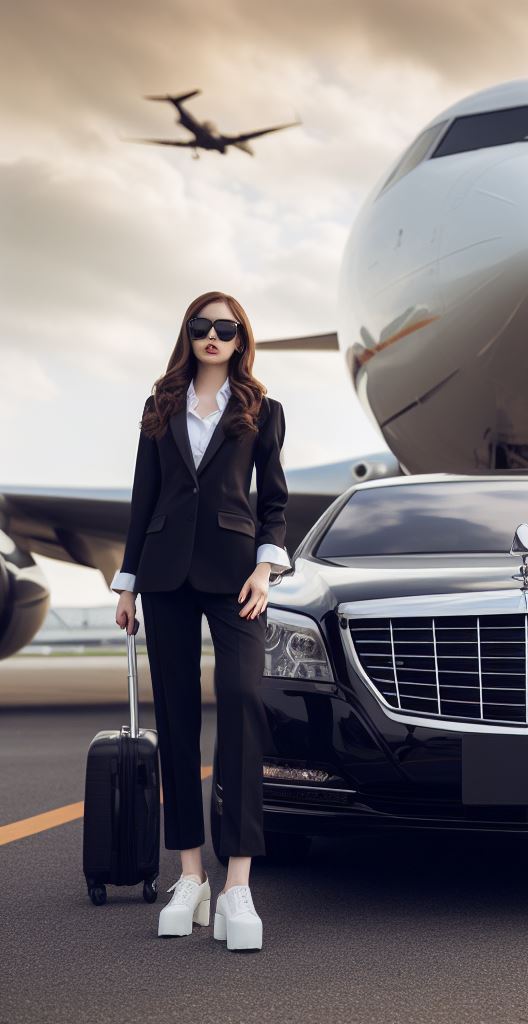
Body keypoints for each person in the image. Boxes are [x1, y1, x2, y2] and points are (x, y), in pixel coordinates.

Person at [112, 290, 289, 952]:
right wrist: (128, 582)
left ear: (242, 340)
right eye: (201, 326)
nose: (213, 336)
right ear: (187, 334)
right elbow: (142, 499)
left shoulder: (262, 412)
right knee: (177, 716)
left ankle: (236, 881)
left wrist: (265, 571)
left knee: (242, 700)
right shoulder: (159, 408)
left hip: (237, 574)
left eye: (226, 328)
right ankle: (189, 876)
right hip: (164, 576)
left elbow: (273, 501)